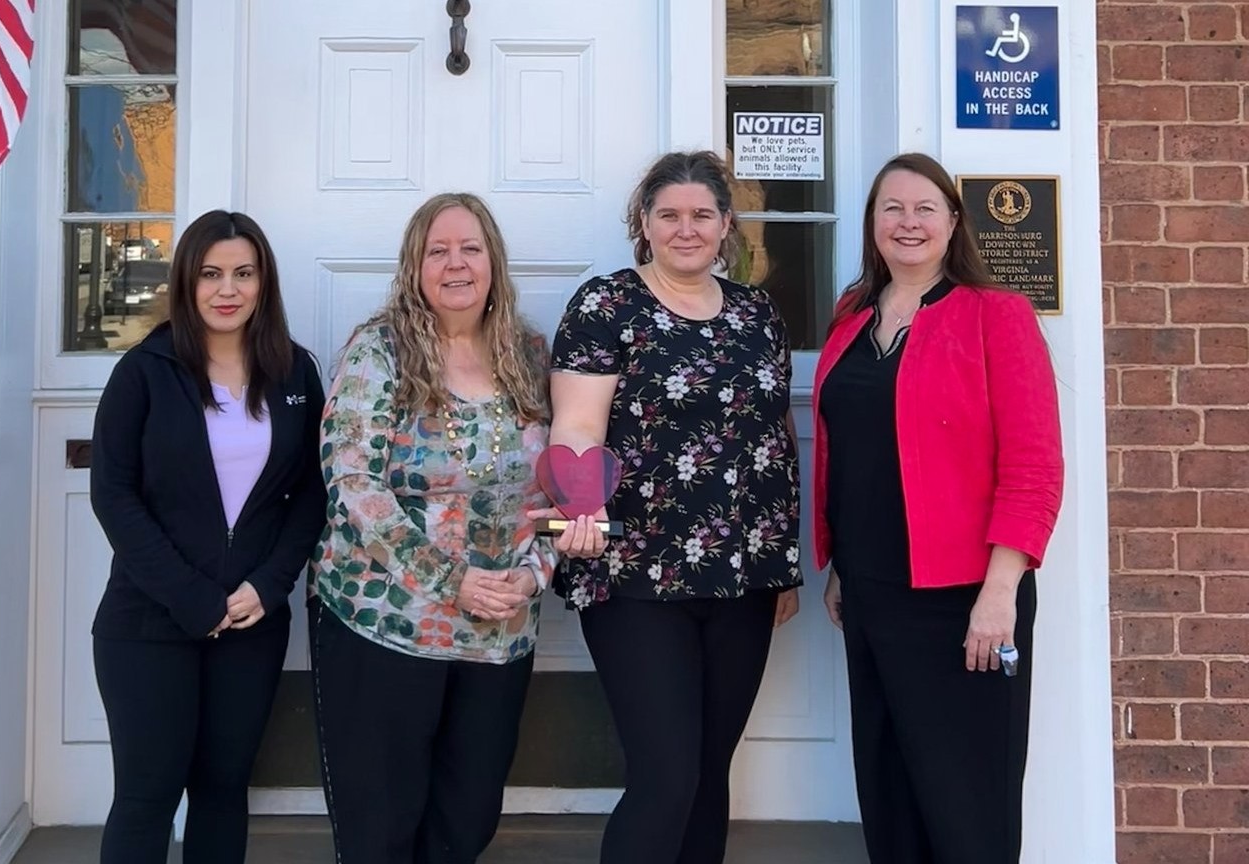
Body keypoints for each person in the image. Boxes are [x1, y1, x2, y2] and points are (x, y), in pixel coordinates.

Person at [542, 150, 802, 864]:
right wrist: (579, 509)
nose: (686, 230)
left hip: (743, 575)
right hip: (633, 571)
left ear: (725, 227)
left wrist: (782, 560)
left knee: (708, 774)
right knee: (666, 774)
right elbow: (576, 424)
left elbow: (775, 438)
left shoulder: (756, 313)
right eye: (669, 215)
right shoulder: (607, 305)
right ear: (645, 224)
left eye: (701, 215)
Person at [812, 152, 1063, 864]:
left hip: (966, 599)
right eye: (892, 208)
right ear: (872, 224)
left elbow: (1035, 464)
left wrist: (1000, 591)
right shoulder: (850, 317)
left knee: (967, 803)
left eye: (925, 208)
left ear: (954, 223)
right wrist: (840, 565)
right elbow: (851, 449)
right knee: (890, 793)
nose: (908, 222)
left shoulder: (997, 315)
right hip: (872, 593)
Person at [310, 192, 557, 864]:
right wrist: (452, 581)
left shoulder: (530, 355)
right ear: (414, 266)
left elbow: (563, 483)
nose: (456, 263)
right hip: (385, 625)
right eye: (437, 250)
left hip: (500, 629)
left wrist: (533, 575)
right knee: (381, 829)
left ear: (493, 262)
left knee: (466, 820)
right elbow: (353, 483)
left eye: (470, 248)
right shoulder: (379, 350)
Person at [87, 210, 326, 864]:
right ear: (187, 283)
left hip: (250, 621)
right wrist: (193, 598)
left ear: (263, 282)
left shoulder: (293, 373)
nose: (228, 289)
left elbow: (309, 492)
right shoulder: (145, 371)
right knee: (146, 796)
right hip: (148, 621)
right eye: (211, 274)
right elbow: (112, 493)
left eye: (243, 273)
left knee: (223, 792)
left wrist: (267, 587)